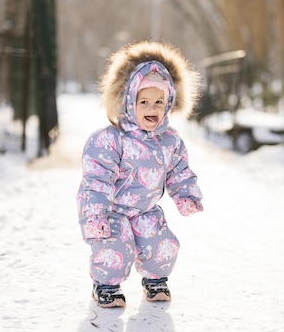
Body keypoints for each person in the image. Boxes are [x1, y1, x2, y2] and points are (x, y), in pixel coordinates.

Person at [77, 41, 204, 308]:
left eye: (159, 102)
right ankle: (106, 285)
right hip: (113, 211)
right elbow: (96, 182)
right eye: (144, 101)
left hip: (146, 210)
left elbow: (179, 171)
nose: (152, 109)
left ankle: (155, 280)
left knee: (162, 245)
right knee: (114, 249)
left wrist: (186, 195)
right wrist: (96, 215)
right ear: (128, 101)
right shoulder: (110, 140)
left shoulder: (169, 140)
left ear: (169, 103)